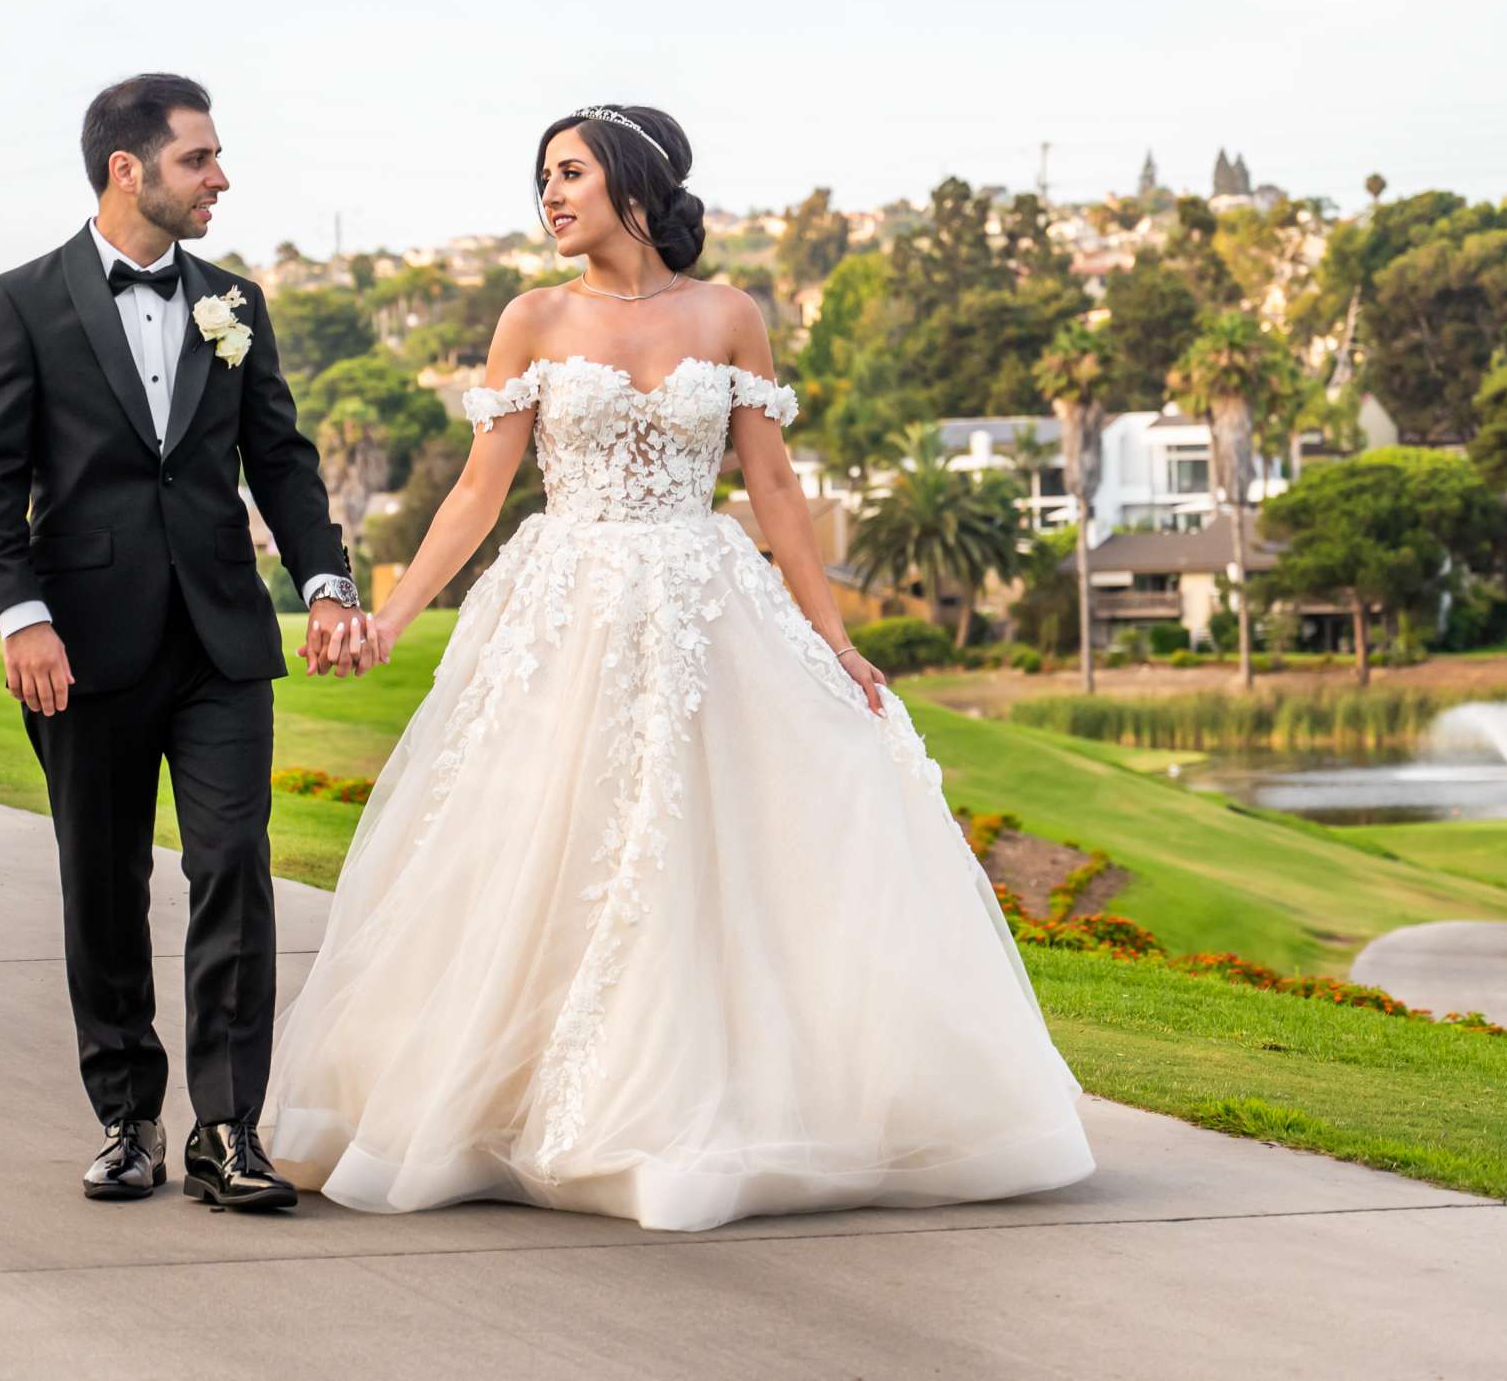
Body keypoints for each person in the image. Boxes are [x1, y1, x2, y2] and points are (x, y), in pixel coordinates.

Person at [263, 104, 1095, 1231]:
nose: (550, 196)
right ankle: (504, 1103)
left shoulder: (729, 314)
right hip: (566, 603)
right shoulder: (533, 317)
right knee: (541, 840)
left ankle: (695, 1108)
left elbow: (777, 489)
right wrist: (395, 613)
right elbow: (479, 489)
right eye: (541, 179)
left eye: (569, 174)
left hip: (707, 604)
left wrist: (835, 637)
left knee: (711, 849)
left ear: (631, 184)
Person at [0, 73, 377, 1213]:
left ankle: (228, 1130)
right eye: (202, 159)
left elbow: (279, 462)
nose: (222, 179)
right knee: (101, 880)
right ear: (128, 170)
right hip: (78, 648)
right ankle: (129, 1118)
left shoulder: (236, 300)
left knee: (232, 862)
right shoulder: (21, 302)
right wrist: (22, 615)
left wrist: (327, 583)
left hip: (222, 641)